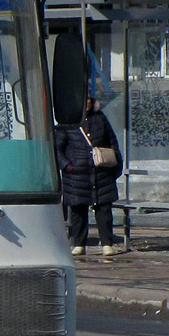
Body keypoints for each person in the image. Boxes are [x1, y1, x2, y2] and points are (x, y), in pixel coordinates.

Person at [55, 97, 124, 256]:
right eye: (83, 99)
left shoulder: (100, 118)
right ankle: (79, 243)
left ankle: (107, 243)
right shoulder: (68, 123)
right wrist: (67, 165)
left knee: (104, 209)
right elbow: (57, 149)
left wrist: (115, 166)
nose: (86, 102)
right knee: (78, 209)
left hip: (101, 172)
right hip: (77, 175)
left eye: (88, 99)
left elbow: (112, 142)